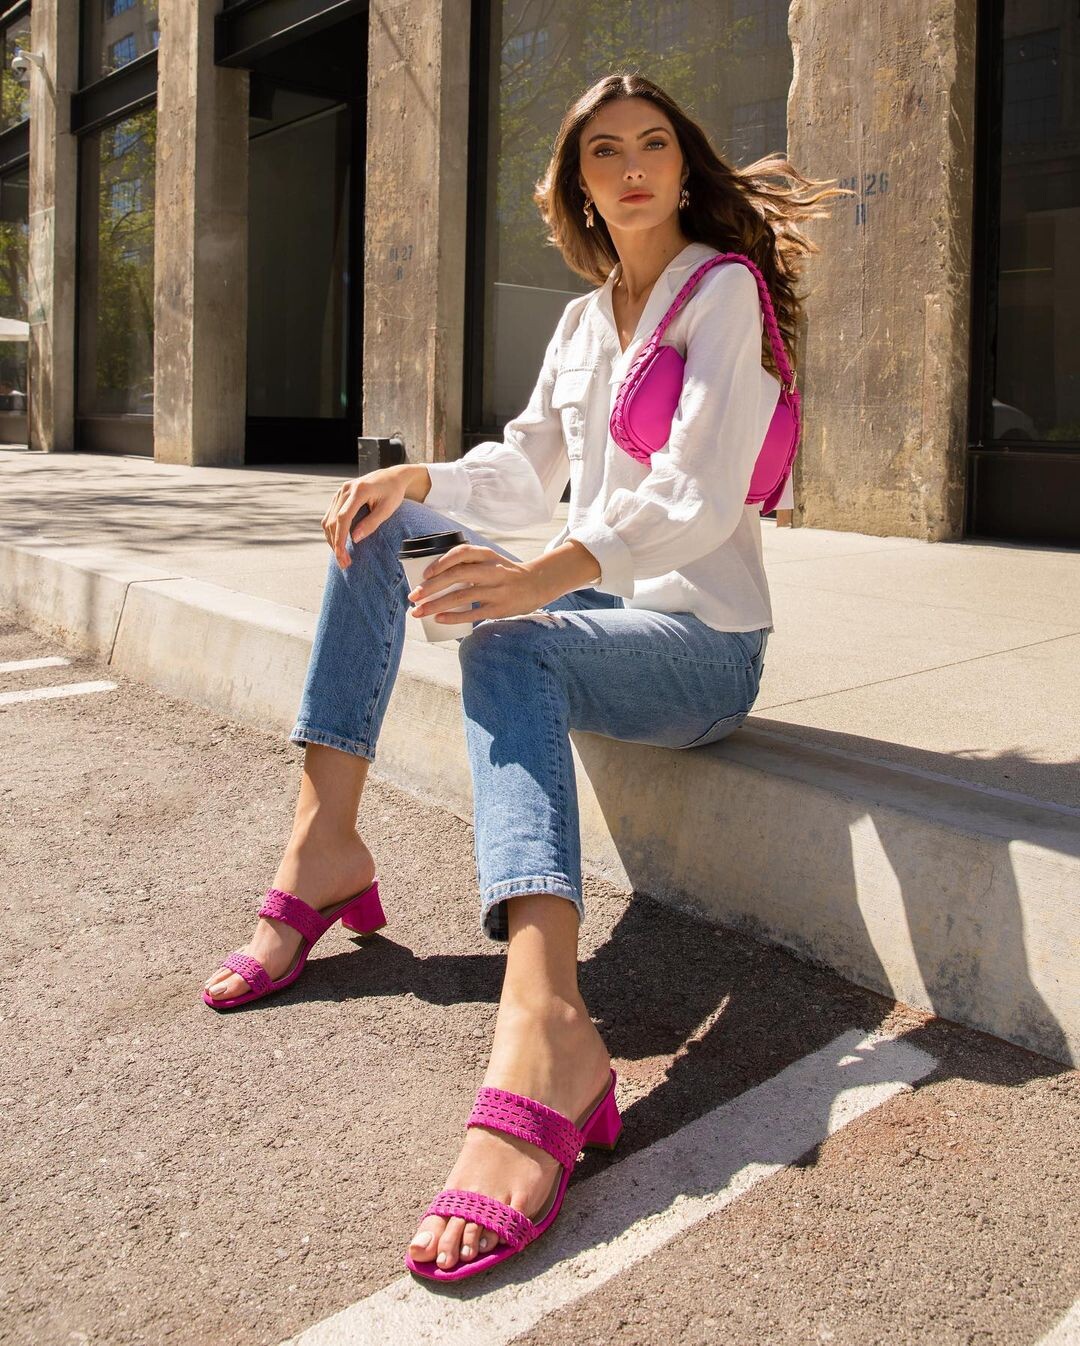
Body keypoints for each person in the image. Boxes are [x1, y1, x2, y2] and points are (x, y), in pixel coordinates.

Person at [202, 71, 845, 1279]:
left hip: (701, 647)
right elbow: (522, 470)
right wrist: (419, 481)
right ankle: (322, 846)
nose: (634, 166)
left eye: (655, 144)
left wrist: (539, 578)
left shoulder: (722, 292)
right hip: (595, 610)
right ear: (579, 185)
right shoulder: (585, 320)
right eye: (606, 151)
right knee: (378, 522)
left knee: (512, 634)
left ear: (685, 168)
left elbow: (697, 499)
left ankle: (547, 1024)